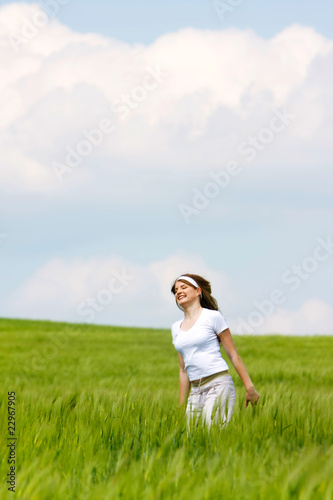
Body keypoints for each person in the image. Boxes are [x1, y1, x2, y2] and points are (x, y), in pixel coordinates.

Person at [171, 273, 259, 429]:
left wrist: (249, 388)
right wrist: (181, 406)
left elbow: (233, 355)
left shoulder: (212, 317)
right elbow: (183, 370)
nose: (178, 291)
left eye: (183, 287)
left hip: (218, 385)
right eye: (176, 290)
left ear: (198, 291)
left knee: (213, 434)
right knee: (193, 439)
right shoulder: (176, 328)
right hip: (195, 392)